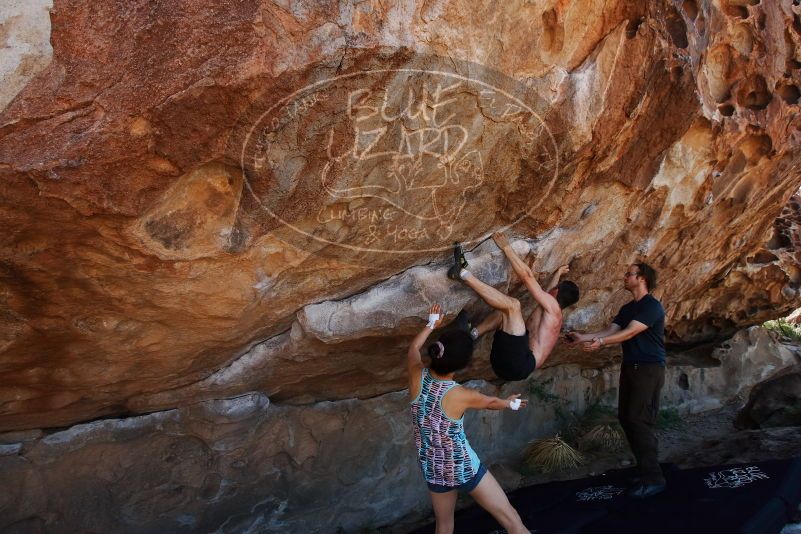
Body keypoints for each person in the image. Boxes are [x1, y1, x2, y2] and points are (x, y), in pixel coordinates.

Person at [408, 303, 530, 534]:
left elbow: (413, 348)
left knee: (444, 526)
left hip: (434, 468)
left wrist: (431, 323)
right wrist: (509, 402)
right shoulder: (461, 395)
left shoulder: (416, 376)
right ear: (462, 365)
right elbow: (492, 403)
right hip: (463, 466)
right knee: (510, 518)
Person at [566, 262, 667, 499]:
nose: (624, 277)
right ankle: (644, 470)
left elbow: (631, 332)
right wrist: (583, 338)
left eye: (629, 273)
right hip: (631, 367)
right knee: (626, 417)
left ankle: (654, 478)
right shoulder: (628, 307)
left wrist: (601, 343)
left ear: (641, 279)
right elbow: (610, 331)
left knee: (639, 420)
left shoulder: (651, 307)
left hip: (649, 369)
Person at [448, 232, 579, 381]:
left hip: (518, 363)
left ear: (557, 292)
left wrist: (506, 247)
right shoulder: (553, 312)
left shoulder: (552, 307)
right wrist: (558, 273)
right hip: (509, 365)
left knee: (513, 306)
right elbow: (549, 291)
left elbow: (527, 277)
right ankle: (470, 335)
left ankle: (461, 273)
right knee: (503, 315)